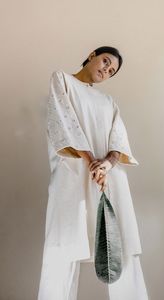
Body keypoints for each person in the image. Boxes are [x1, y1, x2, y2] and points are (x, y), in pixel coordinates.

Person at [37, 46, 149, 300]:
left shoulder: (108, 101)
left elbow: (118, 140)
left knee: (122, 246)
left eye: (111, 71)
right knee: (63, 245)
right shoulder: (62, 80)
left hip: (109, 179)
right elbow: (63, 123)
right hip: (73, 175)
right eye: (105, 62)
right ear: (91, 56)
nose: (105, 70)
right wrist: (90, 162)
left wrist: (107, 164)